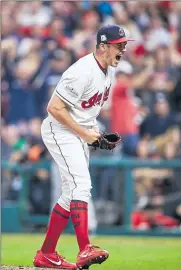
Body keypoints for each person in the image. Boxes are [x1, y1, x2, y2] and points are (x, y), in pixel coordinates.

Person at [33, 24, 133, 270]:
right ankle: (85, 248)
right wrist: (84, 133)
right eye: (118, 45)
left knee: (71, 193)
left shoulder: (107, 71)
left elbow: (84, 113)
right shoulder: (82, 70)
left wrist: (96, 135)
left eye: (124, 45)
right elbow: (54, 108)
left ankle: (46, 253)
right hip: (60, 129)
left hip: (76, 132)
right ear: (102, 46)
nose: (123, 49)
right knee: (82, 185)